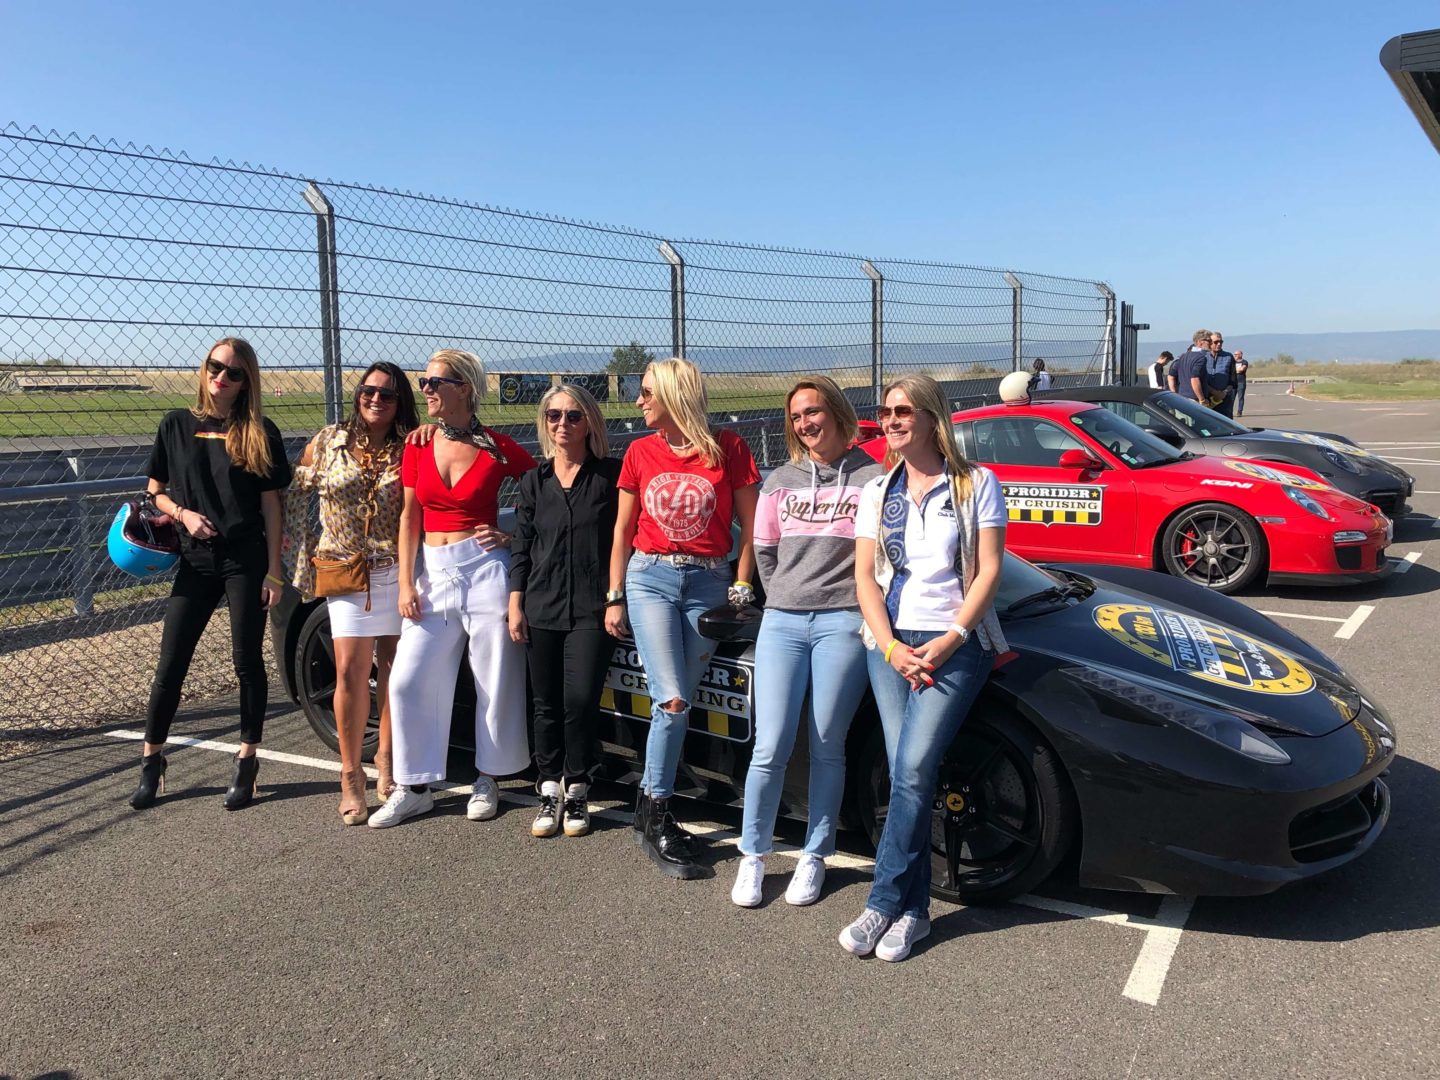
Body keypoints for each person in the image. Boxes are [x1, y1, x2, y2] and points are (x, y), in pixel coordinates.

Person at [839, 374, 1007, 963]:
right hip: (889, 644)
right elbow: (864, 577)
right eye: (886, 411)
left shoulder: (975, 484)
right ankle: (915, 913)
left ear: (933, 417)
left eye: (904, 410)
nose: (891, 420)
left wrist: (952, 637)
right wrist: (889, 647)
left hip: (954, 644)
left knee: (911, 768)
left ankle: (882, 901)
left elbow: (988, 570)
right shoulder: (875, 491)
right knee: (905, 772)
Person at [368, 349, 537, 829]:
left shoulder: (497, 446)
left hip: (486, 570)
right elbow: (408, 518)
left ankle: (489, 777)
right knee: (406, 681)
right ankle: (414, 785)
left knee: (495, 679)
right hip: (434, 574)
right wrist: (405, 582)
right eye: (423, 382)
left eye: (433, 382)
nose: (424, 390)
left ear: (463, 387)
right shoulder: (418, 443)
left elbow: (542, 491)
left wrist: (511, 536)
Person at [731, 376, 882, 908]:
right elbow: (766, 555)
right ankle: (753, 855)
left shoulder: (873, 477)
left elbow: (882, 557)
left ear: (838, 413)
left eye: (813, 412)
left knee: (826, 745)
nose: (804, 424)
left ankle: (815, 855)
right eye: (796, 416)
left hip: (844, 622)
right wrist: (788, 597)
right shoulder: (779, 481)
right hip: (783, 623)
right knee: (769, 745)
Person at [606, 357, 760, 878]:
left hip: (709, 582)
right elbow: (623, 529)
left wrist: (741, 585)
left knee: (682, 701)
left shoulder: (729, 449)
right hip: (650, 577)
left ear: (674, 395)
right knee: (670, 701)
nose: (639, 400)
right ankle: (654, 810)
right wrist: (614, 595)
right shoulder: (639, 451)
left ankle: (652, 809)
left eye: (647, 391)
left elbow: (751, 526)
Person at [129, 338, 292, 811]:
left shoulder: (260, 430)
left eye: (234, 372)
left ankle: (246, 761)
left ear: (247, 382)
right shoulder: (176, 424)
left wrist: (275, 573)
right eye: (215, 366)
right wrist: (182, 514)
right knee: (170, 665)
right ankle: (152, 762)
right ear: (204, 369)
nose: (221, 377)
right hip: (195, 559)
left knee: (246, 662)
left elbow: (271, 506)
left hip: (245, 559)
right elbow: (154, 491)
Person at [288, 361, 419, 825]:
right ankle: (349, 773)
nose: (376, 399)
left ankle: (386, 759)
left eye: (387, 394)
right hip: (345, 571)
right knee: (348, 670)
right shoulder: (328, 441)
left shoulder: (410, 448)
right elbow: (296, 494)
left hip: (398, 571)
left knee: (394, 671)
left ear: (400, 402)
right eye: (369, 390)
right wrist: (301, 554)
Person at [508, 383, 620, 839]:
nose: (562, 424)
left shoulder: (611, 477)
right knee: (545, 703)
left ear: (589, 421)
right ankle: (548, 784)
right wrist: (516, 603)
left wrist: (618, 596)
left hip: (592, 610)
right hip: (542, 605)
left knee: (578, 702)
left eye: (573, 416)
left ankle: (577, 786)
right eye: (554, 416)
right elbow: (523, 545)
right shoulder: (534, 481)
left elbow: (622, 539)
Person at [1169, 330, 1211, 402]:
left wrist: (1174, 394)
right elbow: (1194, 379)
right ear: (1200, 342)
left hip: (1182, 397)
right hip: (1194, 399)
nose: (1211, 343)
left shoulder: (1183, 357)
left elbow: (1171, 376)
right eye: (1209, 340)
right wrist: (1202, 399)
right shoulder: (1201, 358)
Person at [1205, 332, 1238, 417]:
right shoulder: (1203, 356)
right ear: (1209, 342)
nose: (1219, 344)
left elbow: (1233, 380)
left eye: (1221, 342)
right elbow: (1199, 378)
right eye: (1216, 342)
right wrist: (1213, 391)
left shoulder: (1228, 357)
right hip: (1206, 398)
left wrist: (1224, 392)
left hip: (1224, 398)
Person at [1233, 349, 1249, 417]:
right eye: (1234, 354)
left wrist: (1235, 371)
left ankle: (1239, 411)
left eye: (1237, 354)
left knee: (1240, 397)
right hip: (1233, 382)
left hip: (1241, 382)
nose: (1235, 355)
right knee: (1231, 398)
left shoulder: (1244, 362)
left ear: (1240, 355)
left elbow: (1241, 370)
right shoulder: (1232, 362)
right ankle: (1229, 411)